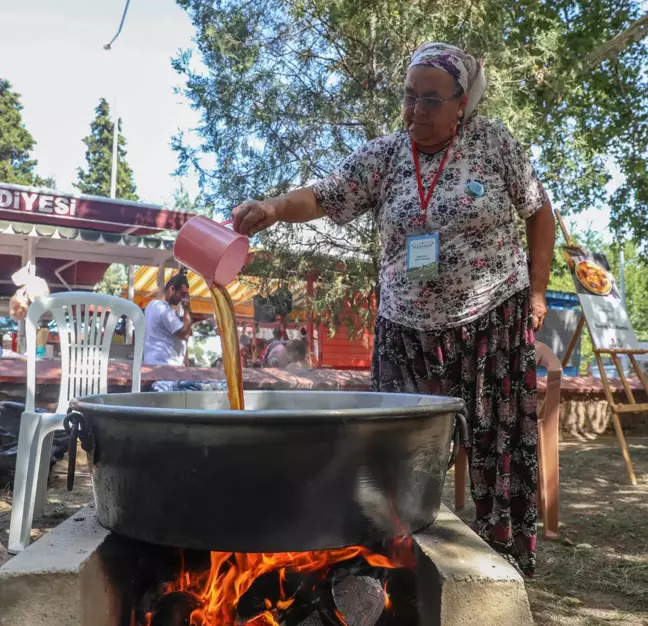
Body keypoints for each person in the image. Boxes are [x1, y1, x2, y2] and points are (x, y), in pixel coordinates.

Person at [232, 43, 556, 575]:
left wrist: (538, 291)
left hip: (491, 320)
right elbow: (322, 194)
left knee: (498, 446)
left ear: (462, 104)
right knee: (397, 453)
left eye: (431, 100)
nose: (416, 112)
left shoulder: (493, 143)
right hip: (406, 328)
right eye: (409, 98)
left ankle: (503, 565)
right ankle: (398, 563)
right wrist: (272, 208)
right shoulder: (385, 155)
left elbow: (537, 208)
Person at [143, 272, 193, 366]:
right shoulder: (163, 309)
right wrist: (186, 310)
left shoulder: (152, 305)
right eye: (182, 294)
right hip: (165, 365)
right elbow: (184, 334)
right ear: (172, 289)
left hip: (156, 362)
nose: (183, 299)